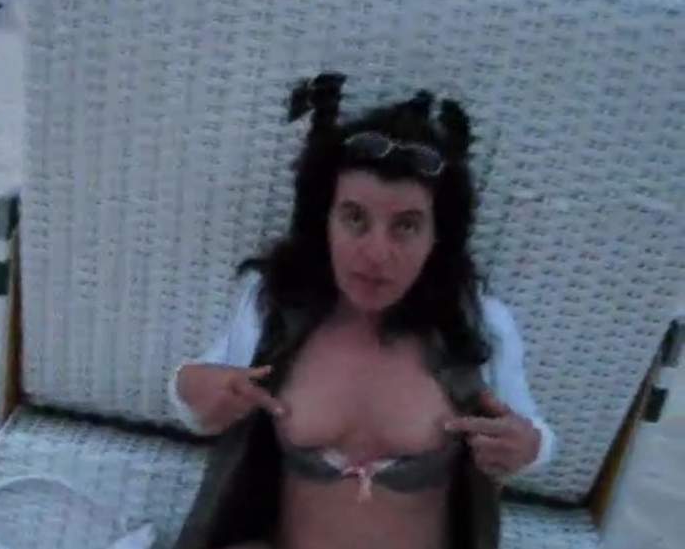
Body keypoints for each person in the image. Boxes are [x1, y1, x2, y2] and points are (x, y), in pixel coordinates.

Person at [168, 73, 556, 549]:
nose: (376, 254)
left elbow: (533, 435)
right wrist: (188, 385)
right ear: (324, 220)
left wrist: (528, 448)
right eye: (355, 218)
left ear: (438, 236)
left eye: (406, 226)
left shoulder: (479, 323)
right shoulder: (273, 306)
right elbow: (199, 402)